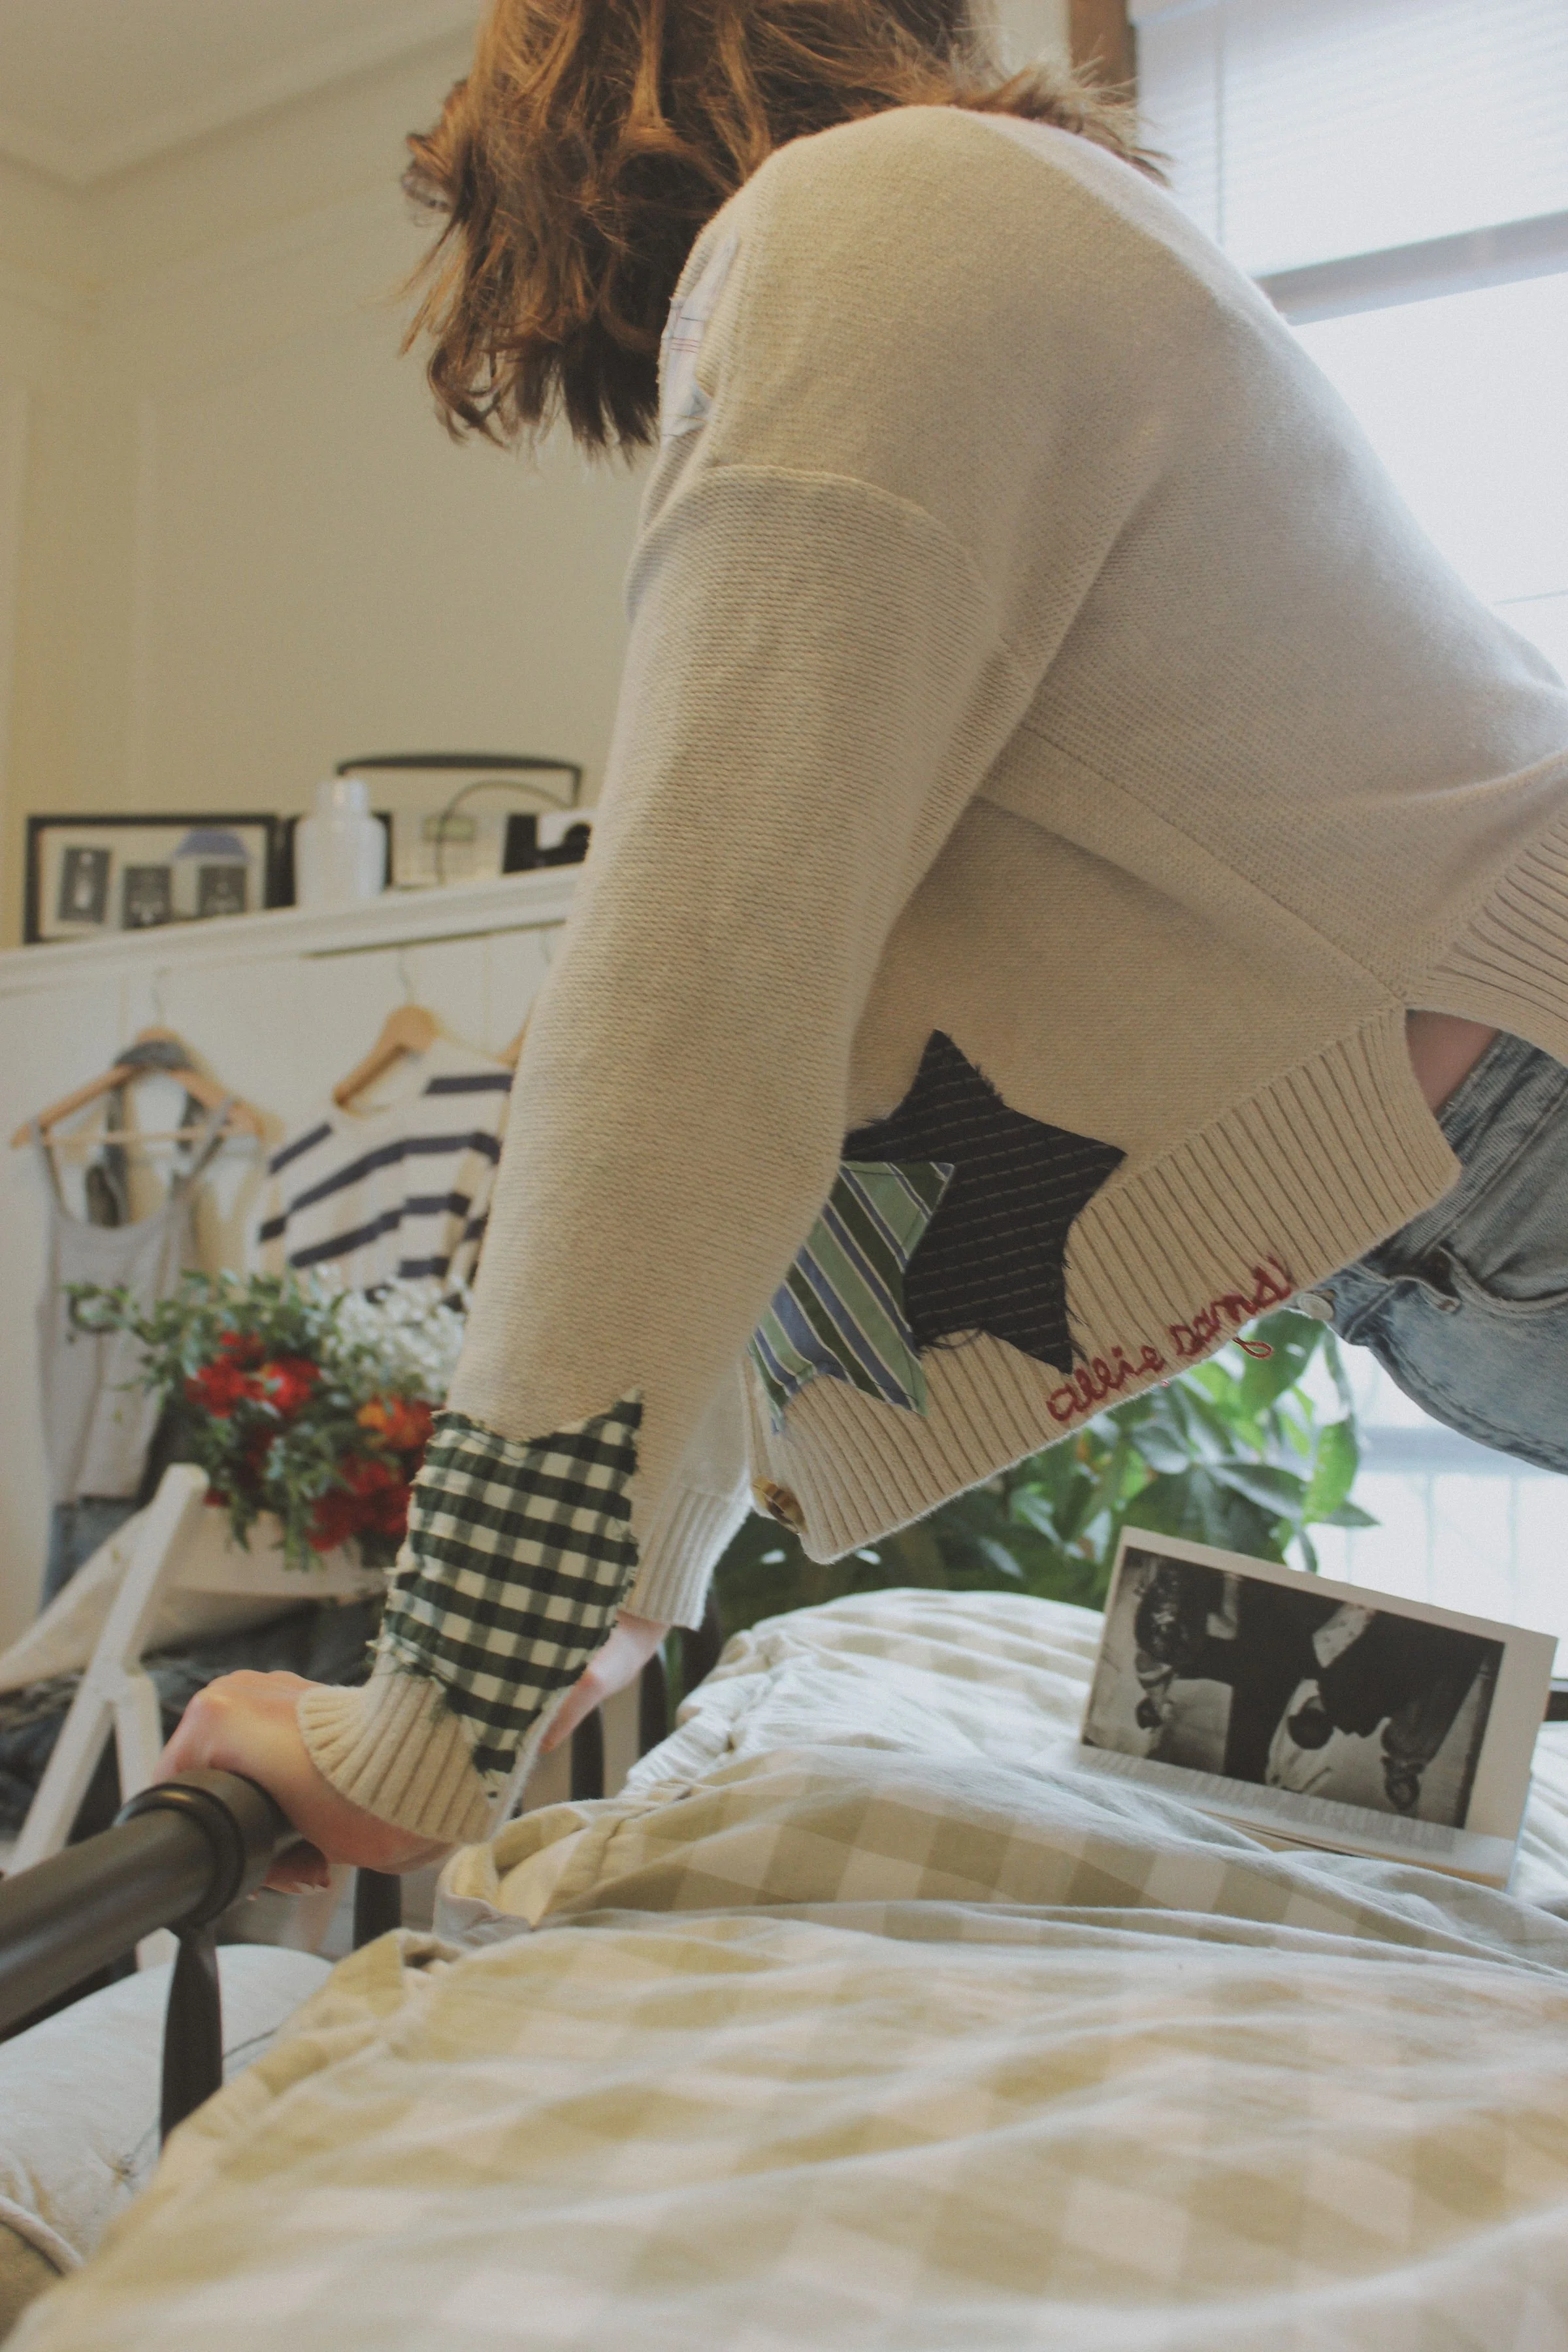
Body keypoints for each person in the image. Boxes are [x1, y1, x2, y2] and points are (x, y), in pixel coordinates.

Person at [160, 0, 1568, 1887]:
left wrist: (442, 1703)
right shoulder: (1027, 229)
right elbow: (828, 1060)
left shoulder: (865, 223)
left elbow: (698, 990)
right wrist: (626, 1579)